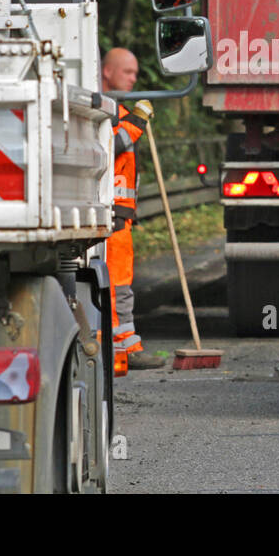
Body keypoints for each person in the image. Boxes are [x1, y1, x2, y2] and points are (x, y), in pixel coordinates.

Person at [101, 47, 168, 372]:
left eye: (135, 74)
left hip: (120, 217)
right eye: (127, 72)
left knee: (121, 287)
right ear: (107, 72)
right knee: (115, 287)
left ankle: (126, 348)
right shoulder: (101, 110)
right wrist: (136, 122)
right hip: (109, 217)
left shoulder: (119, 110)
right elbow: (108, 147)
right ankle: (119, 354)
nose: (133, 79)